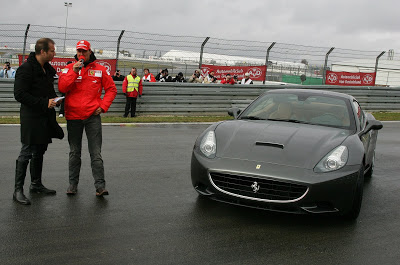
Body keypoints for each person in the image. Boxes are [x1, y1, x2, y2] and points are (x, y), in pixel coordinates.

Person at [58, 40, 117, 197]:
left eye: (84, 51)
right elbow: (62, 87)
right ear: (76, 53)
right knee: (74, 152)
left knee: (95, 153)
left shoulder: (100, 69)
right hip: (73, 117)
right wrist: (74, 71)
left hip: (92, 117)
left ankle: (100, 186)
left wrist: (103, 106)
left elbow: (111, 89)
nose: (82, 54)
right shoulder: (70, 68)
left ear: (90, 52)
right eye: (79, 52)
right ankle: (72, 185)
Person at [13, 38, 64, 205]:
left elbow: (48, 91)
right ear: (42, 52)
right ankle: (17, 190)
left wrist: (55, 99)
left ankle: (36, 184)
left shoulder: (47, 69)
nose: (54, 53)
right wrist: (44, 103)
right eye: (52, 51)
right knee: (26, 151)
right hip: (31, 118)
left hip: (45, 117)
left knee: (40, 150)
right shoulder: (26, 69)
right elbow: (19, 94)